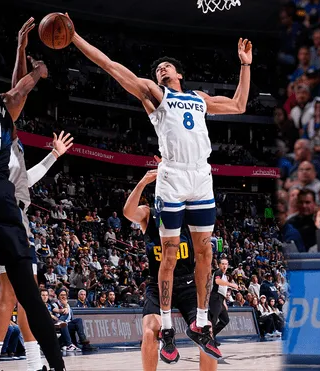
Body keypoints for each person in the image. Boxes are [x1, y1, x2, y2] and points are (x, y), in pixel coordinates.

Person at [69, 15, 253, 362]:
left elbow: (240, 105)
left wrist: (245, 66)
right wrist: (76, 38)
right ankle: (167, 326)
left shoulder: (199, 98)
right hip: (171, 175)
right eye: (158, 69)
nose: (161, 70)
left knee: (205, 253)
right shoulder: (155, 94)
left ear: (179, 73)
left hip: (201, 176)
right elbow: (110, 66)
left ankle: (200, 323)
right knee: (168, 255)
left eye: (166, 67)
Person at [0, 19, 75, 371]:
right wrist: (36, 72)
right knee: (12, 293)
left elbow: (26, 181)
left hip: (8, 209)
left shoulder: (1, 137)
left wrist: (20, 49)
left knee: (23, 292)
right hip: (9, 214)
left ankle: (32, 362)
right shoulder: (0, 136)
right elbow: (18, 93)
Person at [0, 54, 65, 370]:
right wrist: (36, 70)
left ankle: (0, 364)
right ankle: (42, 365)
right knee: (26, 297)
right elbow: (22, 88)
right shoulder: (6, 119)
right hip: (5, 208)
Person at [122, 169, 218, 371]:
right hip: (157, 284)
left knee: (207, 331)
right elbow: (128, 212)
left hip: (187, 283)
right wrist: (143, 181)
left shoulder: (189, 217)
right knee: (150, 332)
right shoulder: (149, 214)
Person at [210, 258, 235, 341]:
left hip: (221, 299)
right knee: (214, 319)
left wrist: (224, 302)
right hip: (215, 297)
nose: (224, 266)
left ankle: (212, 335)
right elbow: (217, 281)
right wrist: (231, 284)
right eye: (223, 264)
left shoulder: (224, 276)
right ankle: (209, 339)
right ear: (219, 265)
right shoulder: (218, 272)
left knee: (225, 320)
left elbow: (222, 290)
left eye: (226, 264)